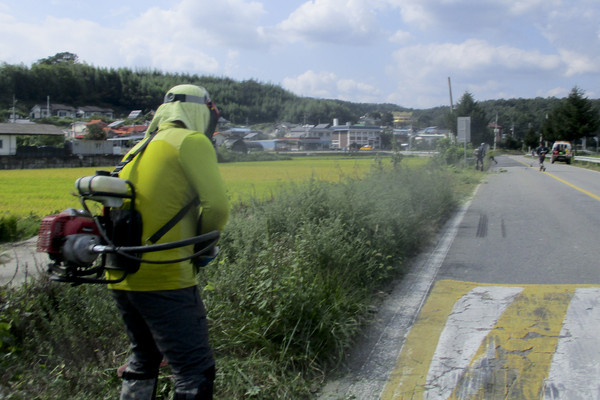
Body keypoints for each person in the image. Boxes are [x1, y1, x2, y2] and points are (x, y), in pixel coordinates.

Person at [107, 84, 230, 400]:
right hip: (164, 274)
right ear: (199, 111)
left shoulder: (137, 147)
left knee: (144, 359)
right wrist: (202, 249)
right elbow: (217, 207)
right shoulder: (190, 141)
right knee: (194, 372)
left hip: (121, 273)